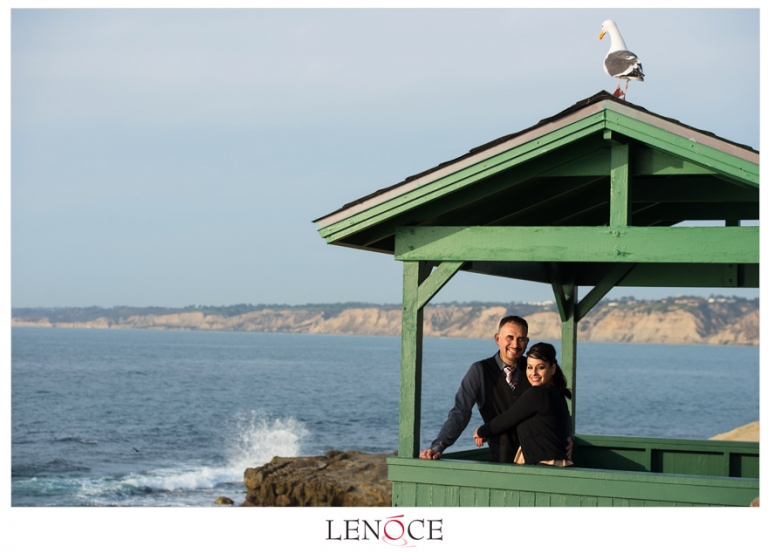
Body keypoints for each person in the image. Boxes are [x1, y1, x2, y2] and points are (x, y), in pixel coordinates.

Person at [419, 315, 532, 463]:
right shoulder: (480, 371)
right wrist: (438, 446)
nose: (515, 344)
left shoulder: (535, 369)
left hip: (537, 460)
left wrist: (566, 435)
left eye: (521, 339)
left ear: (527, 342)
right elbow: (460, 412)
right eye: (509, 338)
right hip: (500, 462)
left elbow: (557, 405)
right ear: (497, 339)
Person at [473, 342, 573, 467]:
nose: (534, 373)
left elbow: (507, 420)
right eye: (529, 367)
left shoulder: (537, 393)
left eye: (540, 367)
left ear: (552, 369)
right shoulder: (557, 393)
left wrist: (481, 431)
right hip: (555, 464)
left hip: (545, 466)